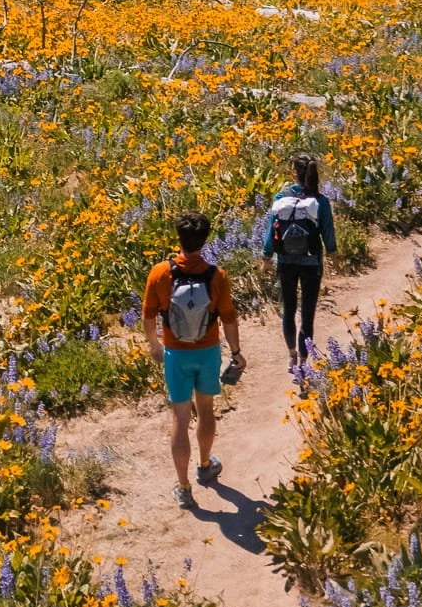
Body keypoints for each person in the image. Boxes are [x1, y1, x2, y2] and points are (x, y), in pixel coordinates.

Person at [143, 212, 246, 509]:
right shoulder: (217, 275)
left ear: (179, 239)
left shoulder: (160, 273)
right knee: (206, 410)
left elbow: (148, 317)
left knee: (179, 418)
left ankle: (184, 487)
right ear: (205, 240)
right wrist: (236, 352)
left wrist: (155, 346)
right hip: (208, 351)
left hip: (176, 354)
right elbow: (228, 319)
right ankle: (204, 466)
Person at [262, 154, 337, 370]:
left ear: (294, 171)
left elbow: (271, 231)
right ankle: (304, 360)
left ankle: (292, 355)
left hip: (285, 261)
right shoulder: (320, 201)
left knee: (289, 309)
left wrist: (267, 258)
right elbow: (328, 232)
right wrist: (333, 255)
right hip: (311, 262)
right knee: (307, 313)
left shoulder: (281, 198)